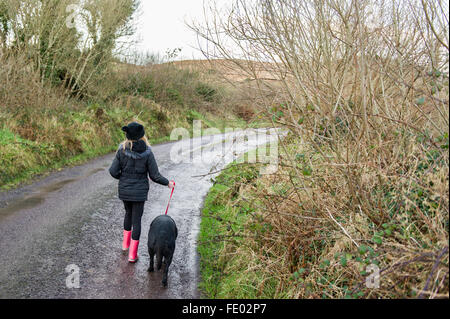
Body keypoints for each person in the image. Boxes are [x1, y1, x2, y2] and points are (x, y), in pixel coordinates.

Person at [109, 121, 175, 263]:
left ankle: (125, 246)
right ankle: (133, 255)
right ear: (142, 135)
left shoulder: (122, 149)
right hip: (139, 193)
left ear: (127, 135)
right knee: (136, 220)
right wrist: (168, 183)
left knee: (127, 214)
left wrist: (124, 178)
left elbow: (113, 171)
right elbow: (155, 175)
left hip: (125, 191)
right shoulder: (148, 152)